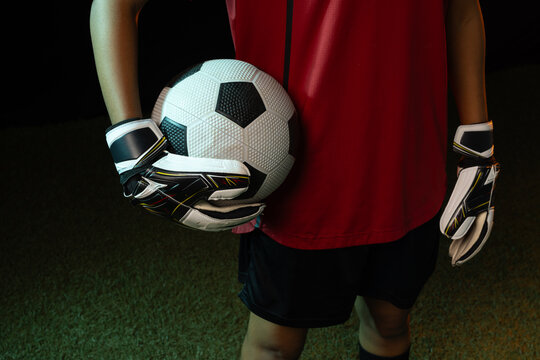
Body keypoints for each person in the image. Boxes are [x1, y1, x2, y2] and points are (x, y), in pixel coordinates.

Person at [90, 0, 499, 359]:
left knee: (389, 323)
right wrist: (129, 143)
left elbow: (461, 9)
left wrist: (477, 142)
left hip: (408, 164)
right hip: (300, 183)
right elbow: (115, 4)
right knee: (274, 345)